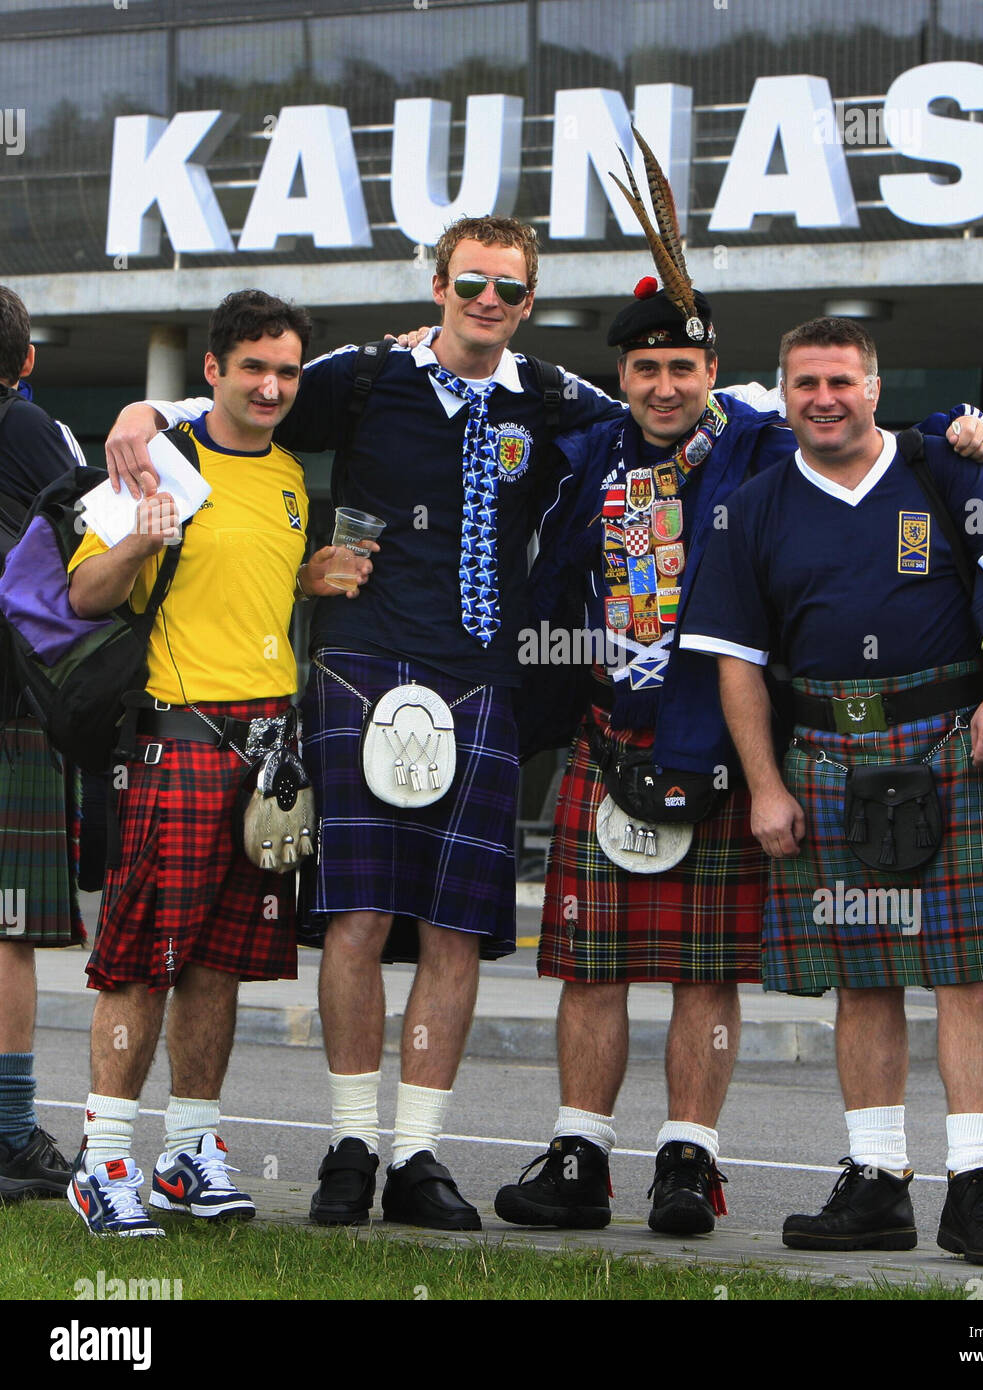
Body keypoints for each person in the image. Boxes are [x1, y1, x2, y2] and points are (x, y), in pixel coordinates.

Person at [102, 217, 629, 1232]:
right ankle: (349, 1145)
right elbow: (248, 399)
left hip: (482, 680)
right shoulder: (365, 375)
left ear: (527, 302)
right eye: (470, 280)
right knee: (357, 917)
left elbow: (684, 415)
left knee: (455, 926)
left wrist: (932, 436)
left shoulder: (553, 397)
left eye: (509, 289)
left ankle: (419, 1153)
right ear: (436, 282)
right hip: (360, 669)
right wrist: (141, 406)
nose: (488, 299)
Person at [495, 266, 983, 1234]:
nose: (663, 387)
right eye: (645, 368)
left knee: (703, 969)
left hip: (721, 735)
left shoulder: (760, 441)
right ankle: (579, 1153)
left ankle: (688, 1158)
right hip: (605, 730)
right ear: (624, 373)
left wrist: (952, 431)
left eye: (681, 367)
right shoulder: (585, 449)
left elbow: (850, 427)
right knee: (589, 966)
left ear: (711, 371)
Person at [680, 316, 983, 1266]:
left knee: (965, 974)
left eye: (841, 382)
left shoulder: (947, 469)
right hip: (822, 749)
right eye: (806, 383)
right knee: (863, 974)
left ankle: (975, 1185)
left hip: (953, 744)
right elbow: (736, 663)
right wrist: (766, 787)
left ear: (874, 388)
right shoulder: (758, 504)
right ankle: (875, 1181)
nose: (824, 399)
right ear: (784, 393)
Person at [66, 290, 369, 1237]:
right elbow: (82, 594)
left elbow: (251, 590)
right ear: (214, 371)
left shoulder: (288, 478)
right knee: (140, 963)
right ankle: (105, 1157)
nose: (273, 386)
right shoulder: (160, 460)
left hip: (268, 752)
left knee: (219, 967)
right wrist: (139, 540)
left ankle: (190, 1152)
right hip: (176, 743)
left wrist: (308, 575)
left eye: (286, 370)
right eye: (254, 368)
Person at [0, 286, 87, 1204]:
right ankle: (8, 1131)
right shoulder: (39, 434)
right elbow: (89, 553)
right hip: (13, 706)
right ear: (26, 362)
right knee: (7, 930)